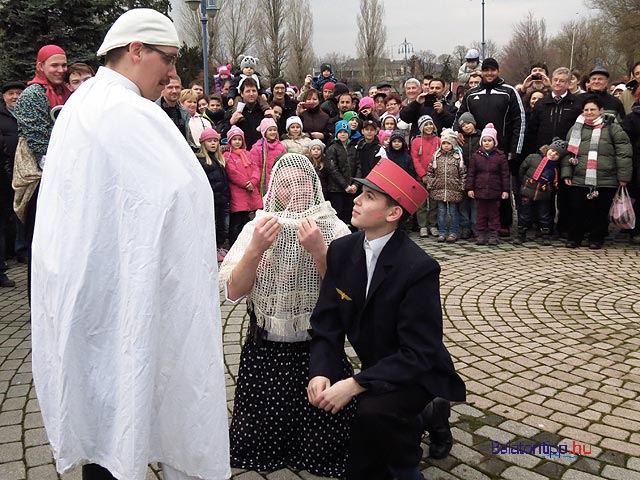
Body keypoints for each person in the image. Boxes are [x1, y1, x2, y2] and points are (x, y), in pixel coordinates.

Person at [29, 8, 230, 480]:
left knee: (104, 412)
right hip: (112, 298)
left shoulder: (87, 102)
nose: (173, 74)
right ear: (136, 50)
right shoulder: (120, 109)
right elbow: (176, 195)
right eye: (169, 60)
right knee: (115, 407)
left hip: (90, 291)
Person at [308, 158, 466, 480]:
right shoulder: (340, 251)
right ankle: (426, 419)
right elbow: (327, 323)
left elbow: (419, 353)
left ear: (393, 214)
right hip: (376, 366)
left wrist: (355, 385)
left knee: (372, 414)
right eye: (361, 192)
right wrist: (321, 371)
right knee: (353, 410)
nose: (356, 199)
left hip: (416, 371)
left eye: (369, 196)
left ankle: (407, 463)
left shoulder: (419, 269)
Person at [219, 152, 354, 476]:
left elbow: (348, 296)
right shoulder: (258, 226)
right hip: (266, 346)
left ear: (313, 185)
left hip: (316, 346)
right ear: (275, 190)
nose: (297, 189)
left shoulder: (334, 226)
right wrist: (255, 249)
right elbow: (234, 290)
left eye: (303, 182)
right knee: (260, 436)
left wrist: (320, 252)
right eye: (287, 183)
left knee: (323, 436)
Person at [13, 44, 70, 297]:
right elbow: (39, 141)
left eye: (64, 65)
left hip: (64, 176)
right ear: (41, 66)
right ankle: (37, 300)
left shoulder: (66, 92)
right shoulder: (32, 95)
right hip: (41, 178)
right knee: (41, 242)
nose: (61, 70)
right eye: (54, 65)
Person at [455, 57, 526, 236]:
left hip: (502, 150)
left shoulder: (508, 92)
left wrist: (515, 149)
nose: (489, 73)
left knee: (501, 187)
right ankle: (481, 224)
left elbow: (520, 120)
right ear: (481, 72)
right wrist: (457, 132)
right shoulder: (472, 93)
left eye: (492, 70)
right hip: (477, 152)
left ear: (498, 71)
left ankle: (503, 223)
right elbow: (459, 117)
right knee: (481, 187)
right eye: (486, 70)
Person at [562, 96, 632, 249]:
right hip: (580, 177)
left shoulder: (613, 128)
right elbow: (568, 152)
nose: (589, 112)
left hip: (606, 178)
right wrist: (566, 173)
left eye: (592, 109)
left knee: (600, 211)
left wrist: (623, 176)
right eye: (586, 110)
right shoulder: (576, 128)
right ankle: (575, 237)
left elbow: (623, 153)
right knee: (577, 209)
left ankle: (596, 238)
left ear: (601, 110)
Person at [514, 139, 566, 245]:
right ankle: (521, 234)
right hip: (527, 191)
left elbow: (554, 184)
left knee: (544, 215)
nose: (553, 155)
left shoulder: (555, 169)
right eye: (552, 151)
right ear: (548, 149)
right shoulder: (533, 158)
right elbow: (522, 170)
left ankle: (545, 234)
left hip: (543, 195)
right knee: (525, 214)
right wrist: (525, 184)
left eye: (556, 154)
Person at [0, 80, 27, 287]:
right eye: (11, 93)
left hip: (23, 171)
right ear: (4, 97)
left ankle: (21, 250)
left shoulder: (27, 114)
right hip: (6, 170)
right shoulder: (2, 117)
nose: (15, 96)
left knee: (21, 212)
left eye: (19, 92)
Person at [466, 123, 510, 245]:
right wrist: (470, 188)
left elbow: (505, 175)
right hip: (480, 191)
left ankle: (493, 234)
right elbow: (471, 173)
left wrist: (505, 190)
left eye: (489, 140)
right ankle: (481, 233)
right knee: (480, 214)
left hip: (495, 191)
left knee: (494, 214)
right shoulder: (476, 156)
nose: (486, 143)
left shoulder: (500, 157)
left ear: (494, 142)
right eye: (484, 140)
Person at [426, 129, 466, 243]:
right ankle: (442, 232)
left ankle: (453, 231)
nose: (446, 146)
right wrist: (431, 183)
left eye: (448, 143)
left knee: (453, 211)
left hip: (454, 189)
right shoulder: (436, 156)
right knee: (441, 211)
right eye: (444, 143)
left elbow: (463, 173)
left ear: (453, 144)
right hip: (439, 189)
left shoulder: (458, 157)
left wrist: (461, 186)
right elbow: (430, 171)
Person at [196, 128, 230, 261]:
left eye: (215, 141)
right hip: (212, 200)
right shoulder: (202, 161)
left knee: (223, 225)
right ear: (203, 143)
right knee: (213, 225)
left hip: (222, 199)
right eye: (209, 141)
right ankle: (212, 248)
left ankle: (219, 246)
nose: (213, 144)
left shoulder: (219, 160)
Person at [224, 125, 261, 246]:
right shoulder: (227, 156)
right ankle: (235, 245)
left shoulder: (248, 154)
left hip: (251, 190)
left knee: (248, 220)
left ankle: (246, 244)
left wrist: (254, 181)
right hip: (238, 192)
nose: (237, 142)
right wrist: (246, 183)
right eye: (234, 139)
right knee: (236, 222)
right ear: (230, 141)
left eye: (239, 139)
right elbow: (232, 172)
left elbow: (255, 168)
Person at [411, 115, 441, 238]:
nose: (428, 127)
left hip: (435, 176)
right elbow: (415, 159)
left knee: (434, 203)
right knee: (422, 203)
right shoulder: (416, 141)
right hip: (421, 177)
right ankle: (422, 225)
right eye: (426, 125)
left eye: (430, 124)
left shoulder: (438, 140)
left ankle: (433, 224)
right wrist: (422, 174)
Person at [325, 120, 359, 225]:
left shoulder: (354, 148)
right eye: (340, 132)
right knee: (338, 213)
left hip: (351, 188)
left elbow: (358, 166)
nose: (343, 134)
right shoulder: (332, 148)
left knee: (349, 213)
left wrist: (356, 184)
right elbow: (332, 169)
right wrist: (345, 185)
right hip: (337, 189)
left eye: (345, 132)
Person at [248, 117, 287, 196]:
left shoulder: (281, 147)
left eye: (274, 130)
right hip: (261, 185)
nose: (273, 132)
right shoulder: (257, 148)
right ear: (264, 132)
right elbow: (254, 168)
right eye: (270, 130)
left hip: (278, 182)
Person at [457, 113, 481, 239]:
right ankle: (465, 227)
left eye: (468, 123)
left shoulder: (481, 137)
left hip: (477, 174)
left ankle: (475, 227)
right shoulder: (460, 139)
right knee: (463, 203)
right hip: (463, 174)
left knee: (475, 202)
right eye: (463, 125)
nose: (466, 127)